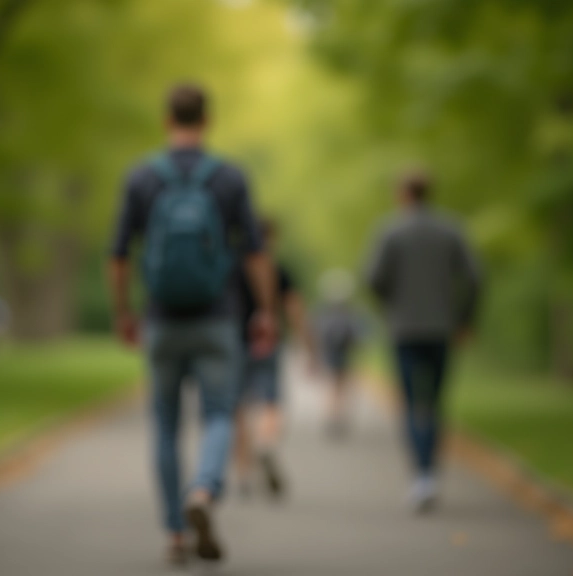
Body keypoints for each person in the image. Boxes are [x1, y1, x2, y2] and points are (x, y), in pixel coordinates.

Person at [108, 84, 277, 565]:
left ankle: (175, 534)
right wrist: (264, 311)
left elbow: (118, 256)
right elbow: (256, 253)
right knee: (220, 413)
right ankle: (203, 488)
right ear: (208, 120)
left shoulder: (141, 177)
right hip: (217, 318)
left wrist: (124, 312)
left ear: (168, 119)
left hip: (161, 318)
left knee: (164, 422)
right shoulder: (228, 177)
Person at [365, 171, 481, 513]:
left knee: (412, 402)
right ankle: (431, 473)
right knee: (435, 402)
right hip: (442, 329)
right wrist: (465, 319)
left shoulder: (389, 230)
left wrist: (391, 303)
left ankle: (421, 476)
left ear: (402, 194)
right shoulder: (451, 229)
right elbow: (475, 278)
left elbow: (373, 278)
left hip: (404, 330)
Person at [232, 218, 317, 500]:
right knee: (271, 401)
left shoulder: (232, 268)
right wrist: (308, 345)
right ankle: (267, 444)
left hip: (234, 343)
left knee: (237, 409)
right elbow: (294, 309)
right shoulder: (278, 270)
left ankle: (243, 472)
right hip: (268, 344)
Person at [314, 269, 365, 439]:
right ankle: (339, 416)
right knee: (342, 386)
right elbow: (359, 334)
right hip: (345, 354)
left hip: (330, 354)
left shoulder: (324, 312)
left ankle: (331, 416)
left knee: (332, 386)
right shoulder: (350, 313)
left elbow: (317, 332)